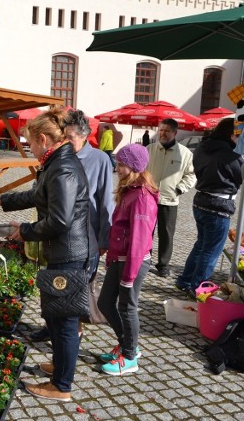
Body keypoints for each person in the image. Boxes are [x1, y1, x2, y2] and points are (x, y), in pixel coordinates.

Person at [0, 108, 97, 402]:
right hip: (65, 251)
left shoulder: (62, 168)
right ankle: (61, 366)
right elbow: (39, 196)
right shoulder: (56, 163)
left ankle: (61, 386)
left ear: (45, 140)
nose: (29, 149)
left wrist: (25, 230)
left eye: (31, 143)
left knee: (64, 322)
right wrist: (5, 200)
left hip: (70, 253)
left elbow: (59, 220)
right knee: (59, 318)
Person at [30, 110, 114, 344]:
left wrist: (104, 238)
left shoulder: (99, 159)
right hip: (55, 238)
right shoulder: (59, 158)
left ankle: (71, 334)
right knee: (53, 286)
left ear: (84, 136)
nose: (65, 142)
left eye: (70, 138)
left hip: (83, 239)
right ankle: (52, 326)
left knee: (74, 294)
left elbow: (106, 201)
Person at [97, 144, 158, 375]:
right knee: (104, 303)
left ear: (133, 167)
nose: (117, 167)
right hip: (121, 258)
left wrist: (129, 276)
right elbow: (120, 230)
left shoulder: (142, 197)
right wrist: (112, 257)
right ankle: (127, 344)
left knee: (127, 307)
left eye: (121, 164)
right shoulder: (129, 190)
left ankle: (130, 356)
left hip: (134, 261)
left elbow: (140, 239)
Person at [175, 118, 244, 295]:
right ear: (231, 135)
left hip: (201, 201)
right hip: (219, 205)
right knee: (211, 251)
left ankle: (185, 280)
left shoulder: (202, 147)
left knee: (201, 245)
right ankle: (197, 288)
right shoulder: (231, 155)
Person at [147, 118, 196, 277]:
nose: (162, 133)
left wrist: (180, 189)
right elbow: (140, 171)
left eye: (167, 131)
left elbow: (191, 174)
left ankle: (163, 264)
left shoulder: (185, 153)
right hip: (148, 199)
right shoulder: (149, 149)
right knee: (146, 232)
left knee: (166, 234)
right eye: (161, 130)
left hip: (170, 200)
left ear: (175, 133)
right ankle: (144, 260)